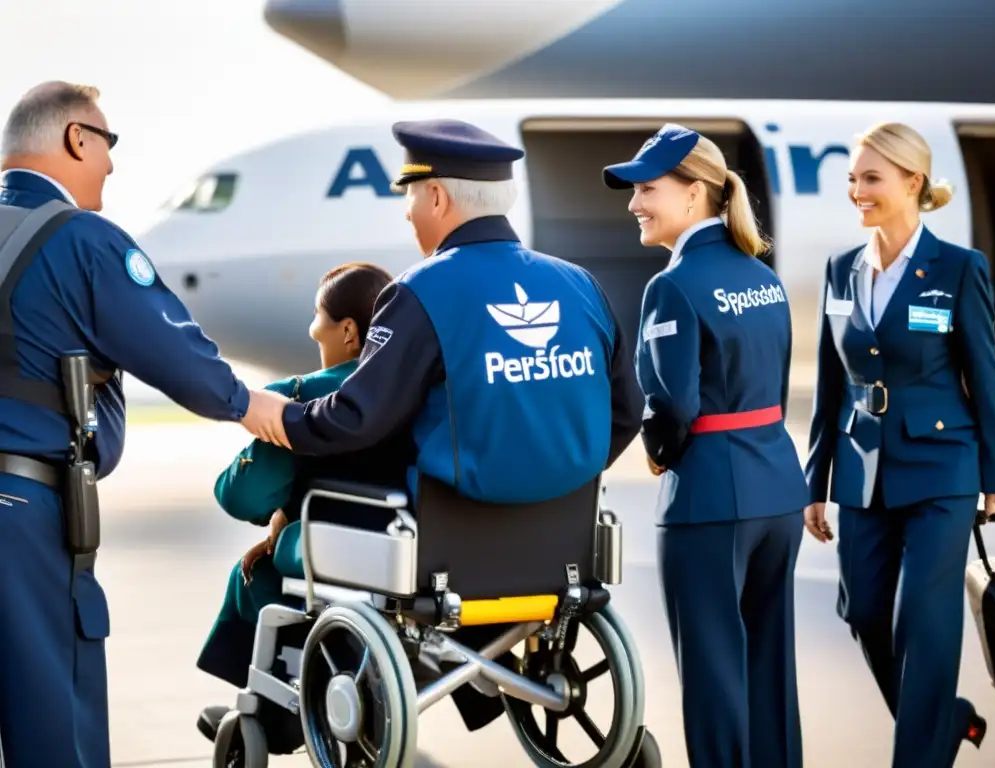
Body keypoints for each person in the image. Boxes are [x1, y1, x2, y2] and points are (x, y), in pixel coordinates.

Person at [241, 118, 644, 731]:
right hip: (561, 544)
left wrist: (284, 420)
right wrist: (552, 472)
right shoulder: (579, 285)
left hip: (445, 553)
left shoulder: (420, 291)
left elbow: (356, 418)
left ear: (436, 196)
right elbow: (624, 413)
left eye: (409, 196)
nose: (407, 214)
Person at [0, 81, 257, 768]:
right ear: (76, 139)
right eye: (107, 144)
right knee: (54, 728)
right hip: (20, 517)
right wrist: (272, 413)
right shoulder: (83, 241)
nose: (111, 164)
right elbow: (193, 370)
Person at [803, 121, 995, 767]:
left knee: (926, 625)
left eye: (870, 178)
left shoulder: (959, 268)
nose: (857, 191)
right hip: (863, 469)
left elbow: (983, 375)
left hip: (943, 469)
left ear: (912, 181)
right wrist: (815, 483)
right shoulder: (841, 271)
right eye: (852, 179)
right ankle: (944, 720)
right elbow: (830, 380)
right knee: (865, 612)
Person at [601, 124, 809, 768]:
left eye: (648, 190)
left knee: (715, 675)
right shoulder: (761, 276)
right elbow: (770, 383)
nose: (634, 203)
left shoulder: (674, 285)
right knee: (770, 670)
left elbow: (675, 405)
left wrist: (658, 449)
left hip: (712, 499)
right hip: (777, 489)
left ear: (695, 195)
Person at [194, 261, 403, 752]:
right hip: (421, 542)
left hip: (340, 544)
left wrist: (279, 514)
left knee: (254, 574)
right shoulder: (420, 387)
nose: (312, 329)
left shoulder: (304, 393)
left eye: (318, 315)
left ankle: (271, 712)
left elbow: (242, 494)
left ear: (348, 331)